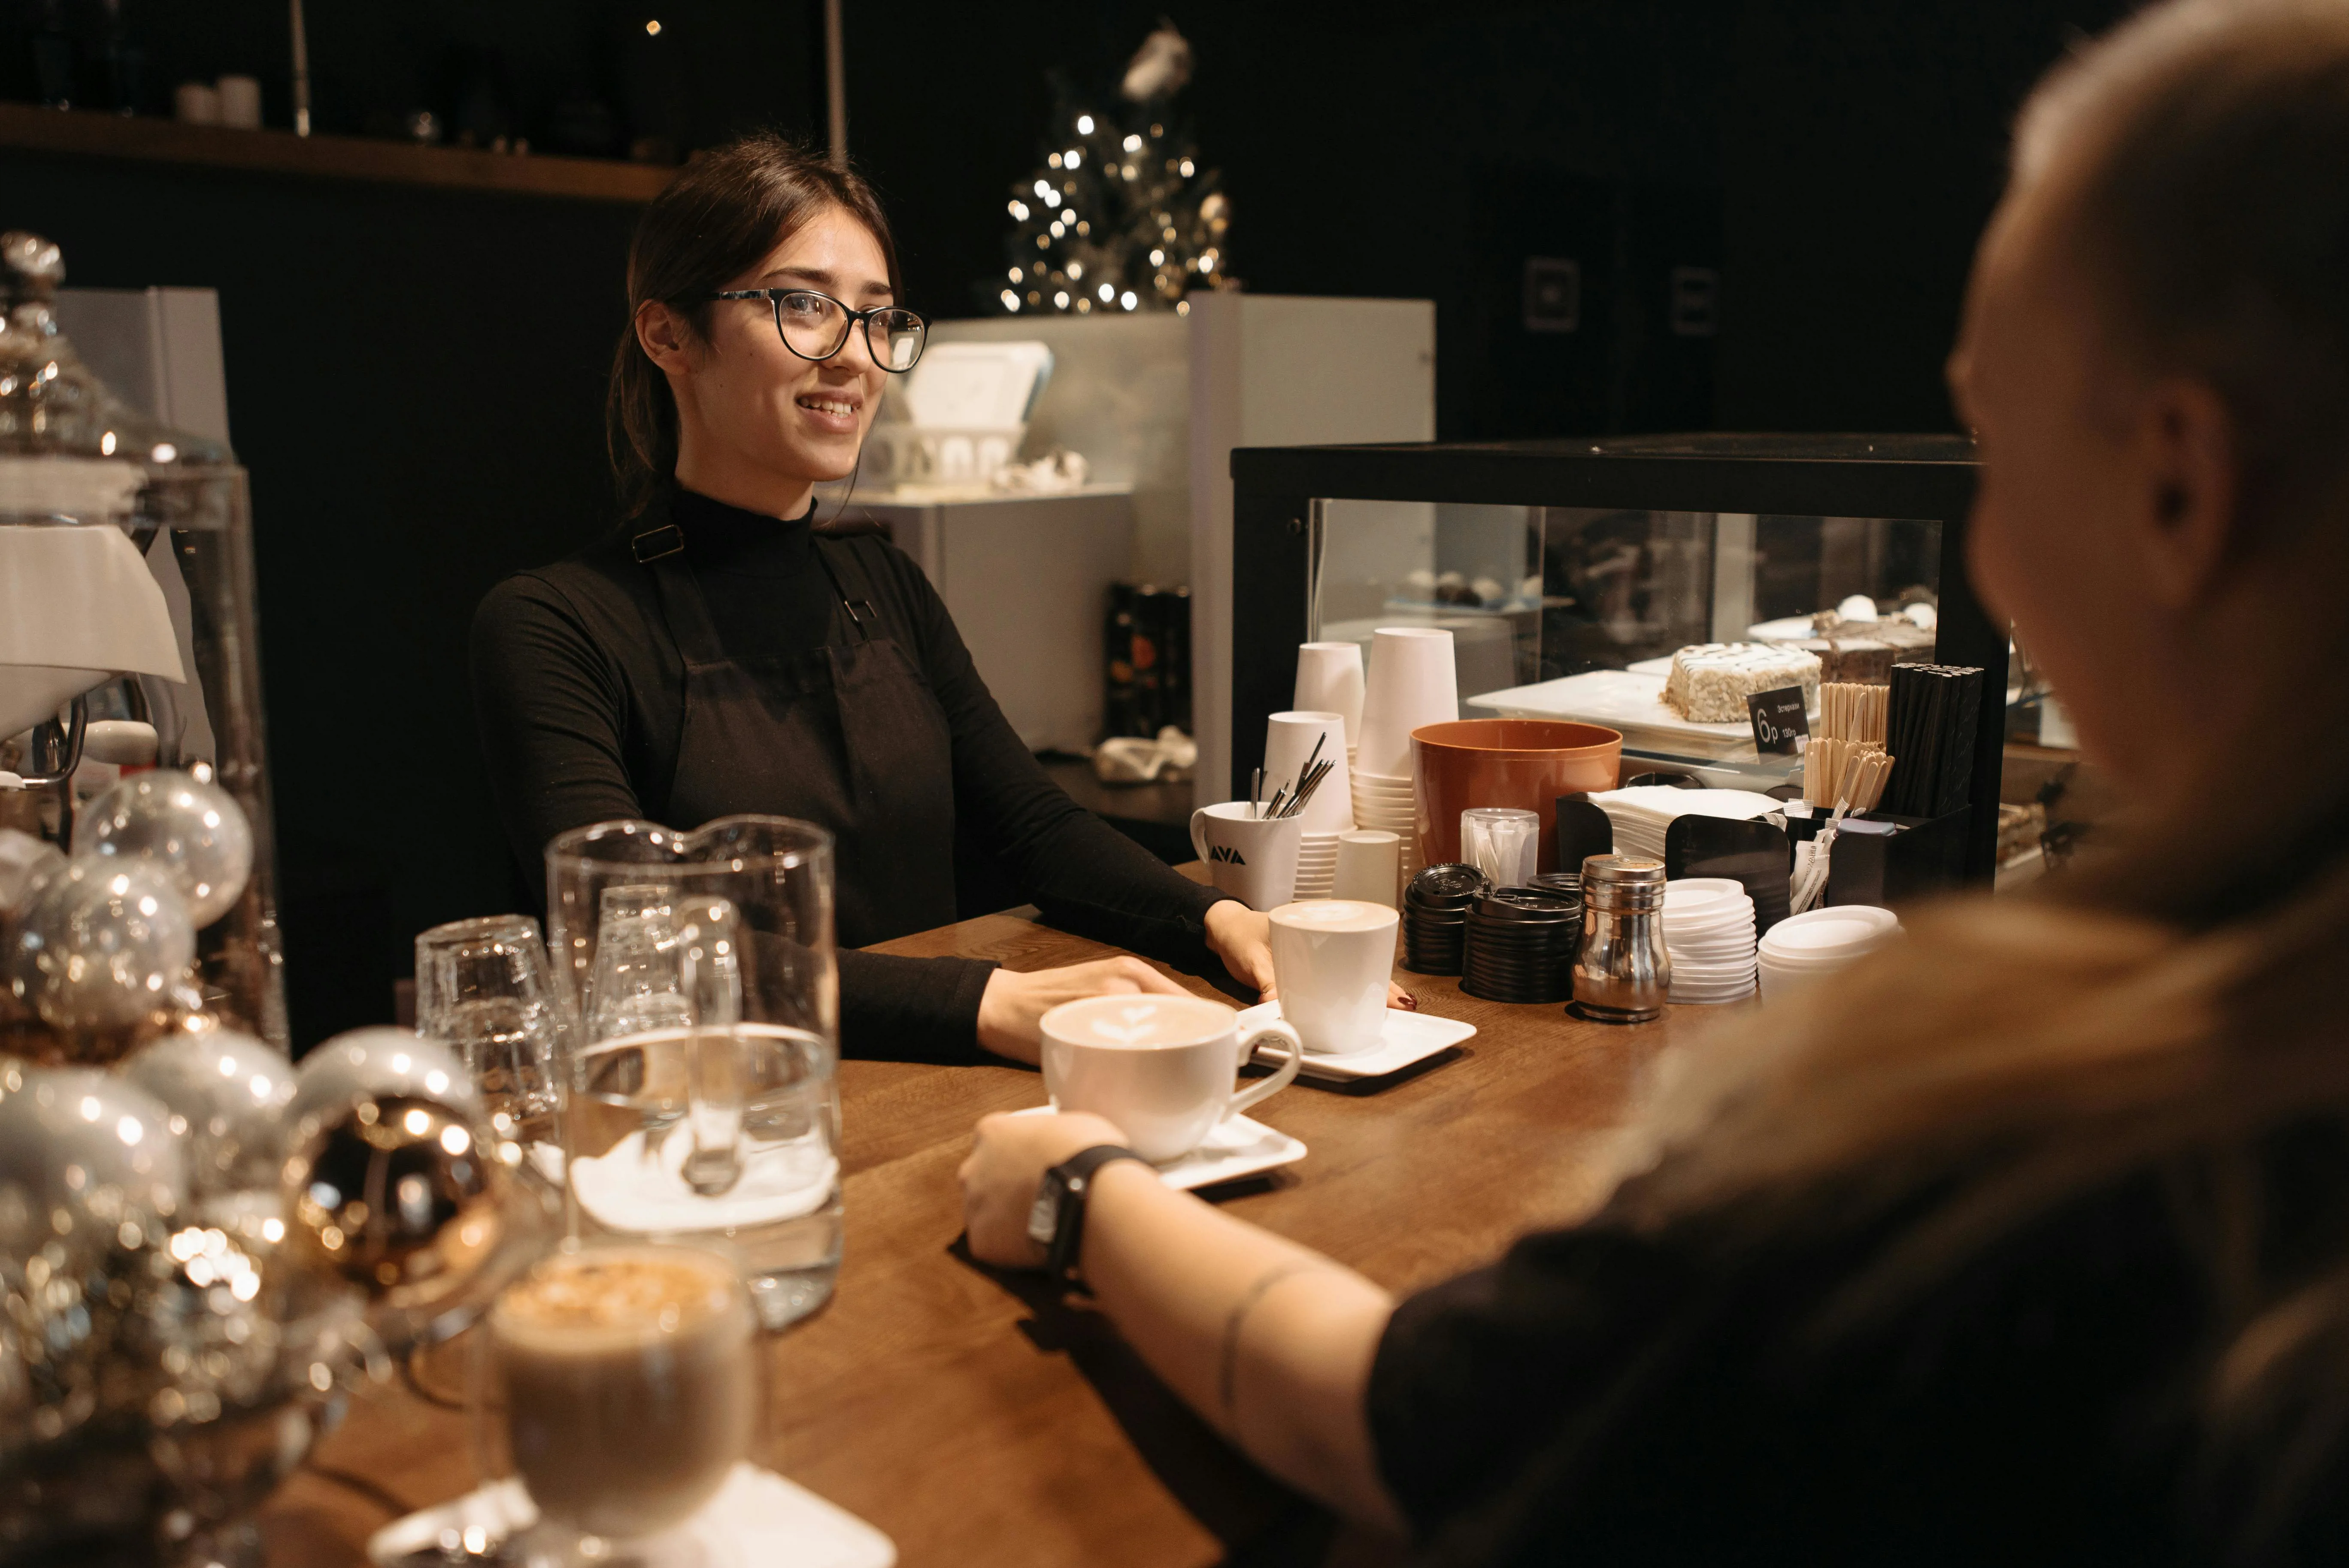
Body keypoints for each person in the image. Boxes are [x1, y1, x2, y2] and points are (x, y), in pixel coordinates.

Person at [958, 2, 2349, 1560]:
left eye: (1993, 444)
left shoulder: (2013, 1153)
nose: (1985, 546)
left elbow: (1411, 1420)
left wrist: (1086, 1185)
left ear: (2179, 486)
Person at [471, 135, 1317, 1065]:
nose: (853, 358)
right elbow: (641, 949)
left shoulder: (883, 584)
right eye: (803, 306)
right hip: (717, 1126)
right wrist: (990, 1001)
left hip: (933, 1091)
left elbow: (1036, 827)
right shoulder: (556, 626)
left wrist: (1220, 919)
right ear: (668, 333)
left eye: (875, 319)